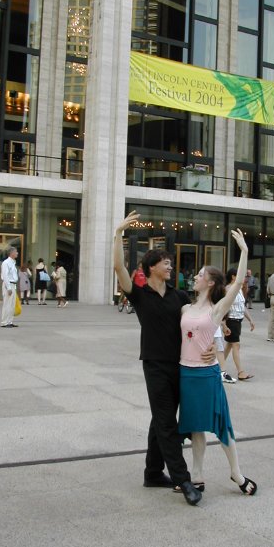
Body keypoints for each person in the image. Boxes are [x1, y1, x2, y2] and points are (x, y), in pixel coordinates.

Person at [114, 210, 213, 507]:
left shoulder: (179, 296)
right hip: (155, 365)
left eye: (170, 262)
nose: (170, 265)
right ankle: (183, 481)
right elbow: (119, 266)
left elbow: (201, 320)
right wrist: (118, 233)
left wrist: (212, 347)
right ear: (151, 267)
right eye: (165, 262)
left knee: (162, 418)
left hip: (181, 365)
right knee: (167, 422)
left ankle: (153, 472)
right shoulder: (139, 295)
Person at [177, 229, 257, 496]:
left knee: (222, 424)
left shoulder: (216, 308)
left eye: (200, 275)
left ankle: (236, 472)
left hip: (207, 375)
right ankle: (197, 475)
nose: (196, 277)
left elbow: (235, 287)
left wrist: (244, 251)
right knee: (194, 427)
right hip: (186, 373)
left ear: (210, 283)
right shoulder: (186, 308)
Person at [223, 268, 255, 380]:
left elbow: (242, 306)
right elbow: (224, 307)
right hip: (231, 320)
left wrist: (250, 319)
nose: (243, 278)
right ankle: (240, 372)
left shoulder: (239, 289)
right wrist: (224, 324)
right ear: (233, 276)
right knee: (235, 345)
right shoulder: (228, 289)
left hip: (238, 321)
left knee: (229, 345)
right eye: (240, 275)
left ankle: (218, 367)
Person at [1, 246, 19, 327]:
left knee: (12, 304)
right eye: (16, 252)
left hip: (13, 284)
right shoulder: (6, 263)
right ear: (12, 253)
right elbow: (5, 275)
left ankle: (10, 321)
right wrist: (8, 287)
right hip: (8, 284)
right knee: (7, 304)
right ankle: (4, 322)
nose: (17, 253)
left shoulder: (13, 262)